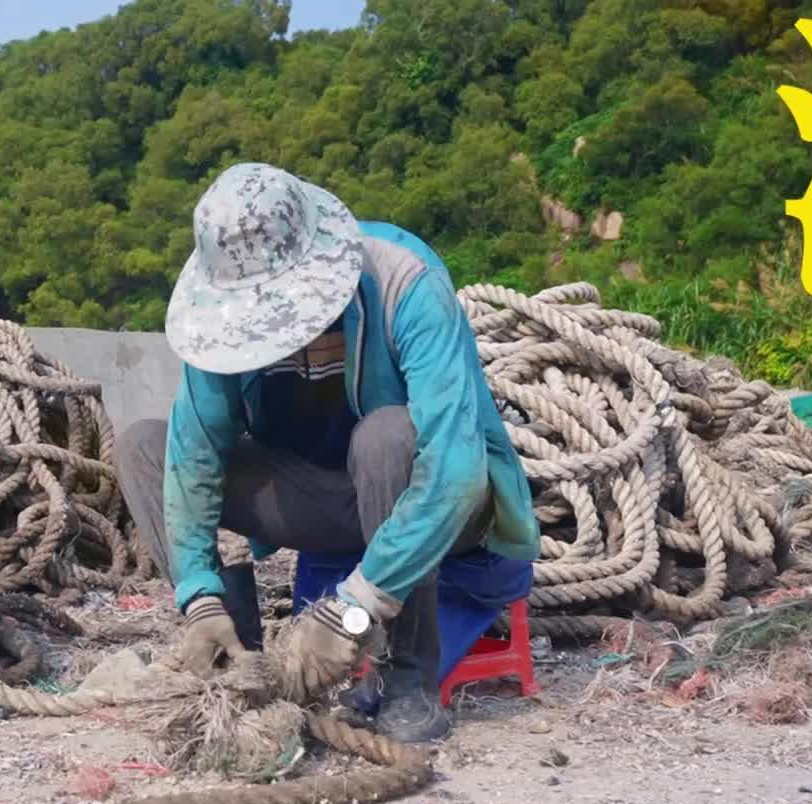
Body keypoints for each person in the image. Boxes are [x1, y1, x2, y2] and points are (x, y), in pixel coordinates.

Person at [118, 162, 541, 742]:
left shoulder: (405, 282)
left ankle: (408, 677)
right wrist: (198, 594)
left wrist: (357, 607)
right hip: (326, 503)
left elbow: (456, 473)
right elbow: (192, 458)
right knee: (143, 445)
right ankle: (231, 648)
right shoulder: (220, 325)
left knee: (388, 437)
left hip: (431, 505)